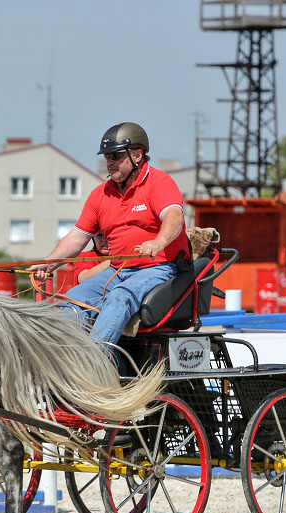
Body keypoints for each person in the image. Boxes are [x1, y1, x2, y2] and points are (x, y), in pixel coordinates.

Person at [31, 122, 189, 350]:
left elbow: (174, 217)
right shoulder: (100, 194)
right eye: (107, 157)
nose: (110, 162)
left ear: (137, 155)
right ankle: (63, 359)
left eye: (116, 155)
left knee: (120, 296)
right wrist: (48, 264)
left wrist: (158, 242)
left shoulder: (159, 183)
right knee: (75, 297)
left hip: (158, 268)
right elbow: (77, 238)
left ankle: (93, 361)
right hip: (118, 270)